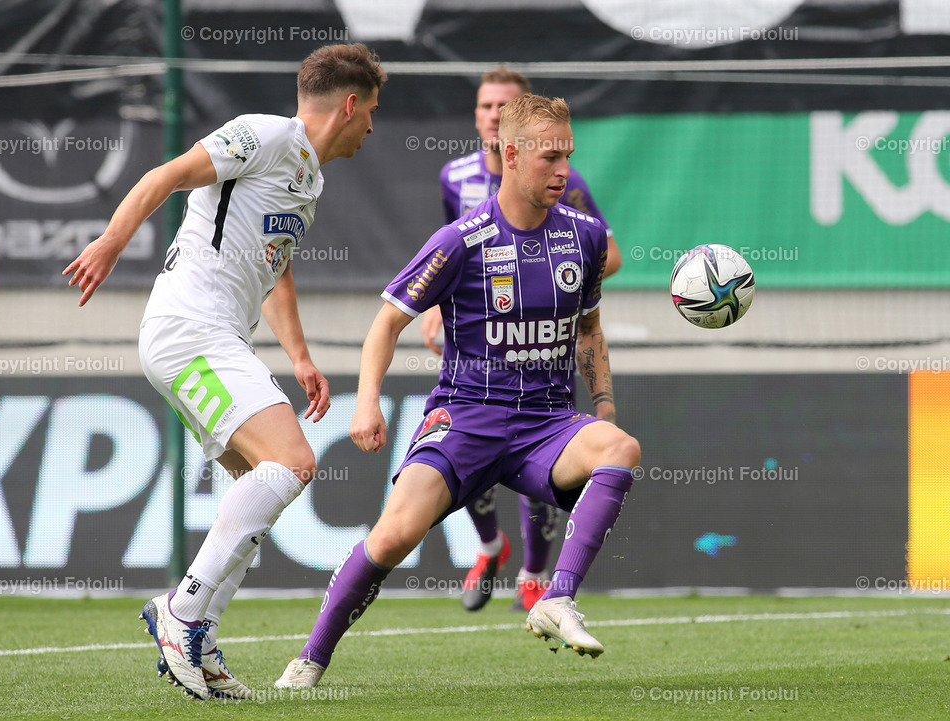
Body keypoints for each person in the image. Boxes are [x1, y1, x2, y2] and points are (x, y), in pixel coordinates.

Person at [275, 93, 639, 690]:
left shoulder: (587, 237)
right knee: (391, 538)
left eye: (567, 156)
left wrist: (601, 408)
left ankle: (558, 596)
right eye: (549, 158)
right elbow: (386, 321)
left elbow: (590, 329)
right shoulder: (461, 240)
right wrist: (366, 401)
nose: (563, 171)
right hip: (466, 417)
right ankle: (310, 658)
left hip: (547, 422)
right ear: (512, 153)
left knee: (620, 448)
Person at [64, 43, 386, 701]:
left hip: (216, 339)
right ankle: (180, 612)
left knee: (255, 488)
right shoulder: (265, 135)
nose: (373, 128)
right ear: (349, 104)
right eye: (372, 111)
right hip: (189, 330)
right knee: (294, 461)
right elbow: (167, 175)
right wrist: (110, 241)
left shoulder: (309, 178)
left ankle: (200, 634)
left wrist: (298, 356)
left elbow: (277, 268)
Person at [425, 67, 623, 613]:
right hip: (475, 342)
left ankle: (534, 574)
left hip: (541, 345)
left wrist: (554, 287)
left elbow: (610, 255)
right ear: (478, 116)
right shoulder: (455, 177)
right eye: (485, 105)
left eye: (502, 106)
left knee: (538, 457)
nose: (492, 114)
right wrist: (441, 311)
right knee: (466, 450)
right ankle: (490, 547)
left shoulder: (564, 182)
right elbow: (446, 260)